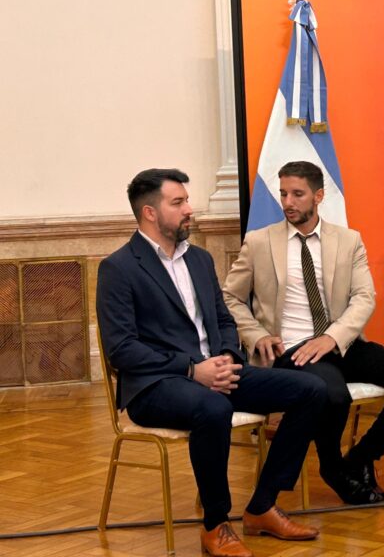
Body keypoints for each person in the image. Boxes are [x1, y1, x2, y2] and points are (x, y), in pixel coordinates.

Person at [96, 169, 325, 557]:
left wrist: (227, 359)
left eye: (187, 200)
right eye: (178, 202)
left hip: (215, 373)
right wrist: (192, 369)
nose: (190, 209)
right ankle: (215, 524)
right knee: (214, 408)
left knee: (311, 390)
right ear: (150, 213)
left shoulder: (200, 259)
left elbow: (223, 320)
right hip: (157, 385)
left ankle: (262, 506)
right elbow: (122, 349)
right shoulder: (119, 268)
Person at [223, 161, 384, 506]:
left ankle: (361, 457)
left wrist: (333, 337)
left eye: (297, 194)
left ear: (319, 196)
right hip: (292, 349)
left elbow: (364, 297)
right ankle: (333, 469)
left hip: (340, 342)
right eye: (283, 194)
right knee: (332, 394)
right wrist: (256, 334)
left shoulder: (348, 240)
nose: (288, 202)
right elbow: (230, 296)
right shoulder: (259, 242)